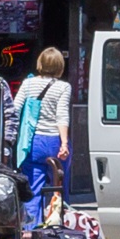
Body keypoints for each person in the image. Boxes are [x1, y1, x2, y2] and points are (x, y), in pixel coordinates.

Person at [12, 47, 71, 229]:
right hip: (54, 141)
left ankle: (31, 236)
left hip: (33, 142)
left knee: (33, 190)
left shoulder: (28, 84)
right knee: (58, 187)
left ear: (40, 64)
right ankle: (56, 229)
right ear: (60, 66)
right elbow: (62, 115)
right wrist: (64, 142)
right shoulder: (63, 87)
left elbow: (15, 108)